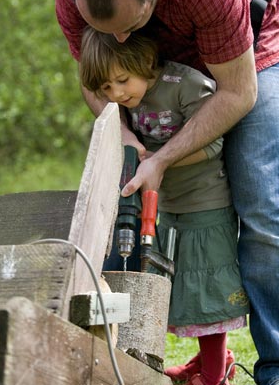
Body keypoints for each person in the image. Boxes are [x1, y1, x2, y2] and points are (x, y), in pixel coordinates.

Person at [55, 0, 279, 384]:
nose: (118, 38)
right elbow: (91, 74)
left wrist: (160, 158)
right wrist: (125, 137)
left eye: (127, 24)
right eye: (106, 31)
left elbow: (237, 91)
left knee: (262, 205)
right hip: (145, 71)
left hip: (246, 55)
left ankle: (276, 367)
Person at [80, 28, 250, 385]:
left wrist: (158, 160)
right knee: (176, 289)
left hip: (204, 206)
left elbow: (214, 143)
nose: (117, 95)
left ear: (143, 61)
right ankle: (206, 364)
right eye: (107, 89)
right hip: (163, 206)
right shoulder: (131, 97)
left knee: (206, 291)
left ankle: (214, 376)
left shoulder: (186, 85)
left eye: (122, 81)